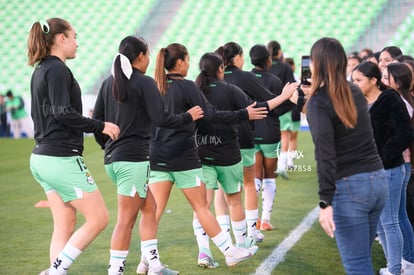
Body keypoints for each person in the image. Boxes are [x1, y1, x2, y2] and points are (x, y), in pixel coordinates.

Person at [148, 43, 267, 269]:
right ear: (181, 62)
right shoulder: (187, 86)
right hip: (182, 158)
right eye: (188, 59)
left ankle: (148, 262)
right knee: (202, 208)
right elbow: (210, 114)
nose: (189, 63)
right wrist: (244, 113)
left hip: (157, 156)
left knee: (155, 212)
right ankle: (230, 251)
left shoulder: (154, 85)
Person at [93, 36, 204, 275]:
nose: (150, 60)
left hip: (113, 160)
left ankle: (153, 265)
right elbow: (162, 119)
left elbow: (98, 124)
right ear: (141, 57)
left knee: (150, 209)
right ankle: (116, 271)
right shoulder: (144, 83)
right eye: (148, 55)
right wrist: (188, 117)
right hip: (133, 161)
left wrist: (109, 147)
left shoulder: (105, 83)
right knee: (126, 220)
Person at [27, 18, 120, 275]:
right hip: (59, 158)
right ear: (61, 39)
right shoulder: (56, 69)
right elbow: (61, 112)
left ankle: (56, 271)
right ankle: (56, 270)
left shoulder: (41, 70)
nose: (77, 43)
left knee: (65, 222)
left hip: (42, 159)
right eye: (74, 36)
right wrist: (99, 125)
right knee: (99, 218)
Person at [193, 52, 297, 268]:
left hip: (201, 155)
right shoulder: (230, 90)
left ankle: (204, 251)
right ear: (221, 68)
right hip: (228, 155)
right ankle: (240, 245)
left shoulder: (194, 90)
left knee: (202, 206)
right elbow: (261, 108)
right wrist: (285, 96)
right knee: (233, 201)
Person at [304, 37, 386, 274]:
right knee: (362, 260)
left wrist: (324, 201)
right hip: (376, 179)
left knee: (357, 264)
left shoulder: (320, 101)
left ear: (316, 64)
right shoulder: (353, 90)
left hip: (351, 186)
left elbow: (325, 154)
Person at [215, 41, 297, 233]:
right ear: (237, 57)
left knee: (222, 189)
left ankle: (223, 240)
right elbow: (270, 104)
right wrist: (289, 99)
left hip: (218, 142)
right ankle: (254, 230)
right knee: (257, 180)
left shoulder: (212, 78)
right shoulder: (246, 78)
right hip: (250, 136)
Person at [352, 61, 413, 275]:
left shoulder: (390, 99)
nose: (355, 84)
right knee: (382, 221)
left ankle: (396, 269)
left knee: (390, 221)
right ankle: (400, 264)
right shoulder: (358, 101)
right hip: (369, 171)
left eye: (358, 80)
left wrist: (383, 157)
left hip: (390, 170)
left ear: (373, 80)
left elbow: (405, 132)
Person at [248, 44, 292, 233]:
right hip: (270, 133)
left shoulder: (244, 78)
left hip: (250, 131)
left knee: (255, 175)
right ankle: (265, 219)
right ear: (268, 60)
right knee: (269, 175)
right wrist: (273, 111)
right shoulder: (274, 80)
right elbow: (286, 103)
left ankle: (253, 219)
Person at [382, 62, 414, 274]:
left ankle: (396, 268)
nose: (382, 80)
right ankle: (408, 262)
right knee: (399, 216)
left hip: (394, 164)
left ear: (397, 81)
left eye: (386, 77)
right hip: (402, 163)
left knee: (389, 221)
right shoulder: (404, 100)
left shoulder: (397, 102)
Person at [267, 40, 298, 180]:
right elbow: (292, 86)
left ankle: (269, 167)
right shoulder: (285, 67)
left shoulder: (265, 66)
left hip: (267, 106)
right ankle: (281, 165)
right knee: (285, 136)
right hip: (283, 107)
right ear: (279, 52)